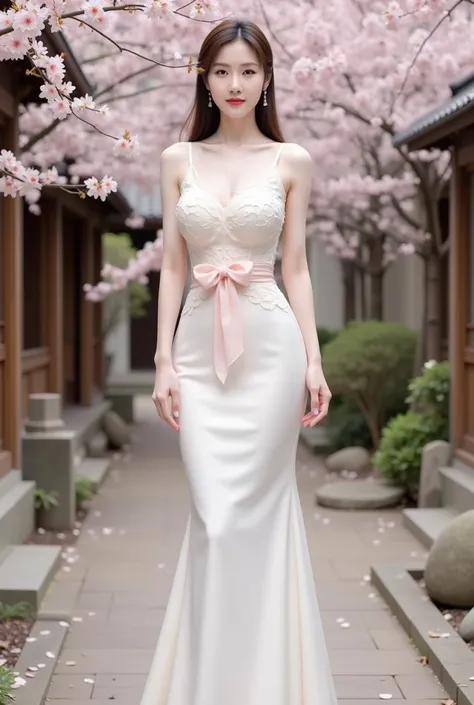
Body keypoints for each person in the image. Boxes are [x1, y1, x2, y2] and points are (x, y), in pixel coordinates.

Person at [142, 17, 338, 705]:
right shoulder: (176, 159)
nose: (234, 84)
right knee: (215, 518)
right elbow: (171, 264)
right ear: (204, 77)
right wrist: (163, 360)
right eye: (221, 71)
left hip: (270, 348)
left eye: (247, 71)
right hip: (198, 348)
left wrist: (314, 362)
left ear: (267, 78)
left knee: (257, 516)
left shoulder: (293, 161)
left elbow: (297, 268)